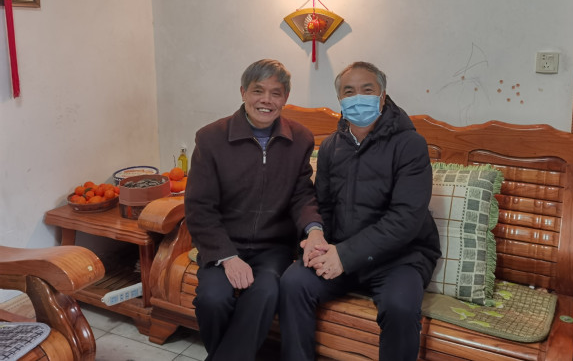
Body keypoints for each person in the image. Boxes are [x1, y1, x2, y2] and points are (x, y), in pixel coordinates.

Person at [279, 61, 441, 361]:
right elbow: (323, 205)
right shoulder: (331, 147)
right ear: (340, 99)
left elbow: (406, 219)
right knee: (293, 282)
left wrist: (345, 256)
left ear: (382, 96)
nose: (358, 98)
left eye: (367, 90)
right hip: (340, 252)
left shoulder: (410, 144)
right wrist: (317, 240)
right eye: (349, 92)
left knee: (400, 307)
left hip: (399, 258)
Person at [184, 59, 326, 361]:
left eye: (276, 93)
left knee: (266, 293)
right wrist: (228, 257)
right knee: (212, 299)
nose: (266, 100)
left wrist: (314, 229)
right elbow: (199, 207)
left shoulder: (300, 138)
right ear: (243, 93)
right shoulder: (210, 138)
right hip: (223, 244)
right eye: (258, 91)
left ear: (285, 98)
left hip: (272, 248)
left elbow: (302, 195)